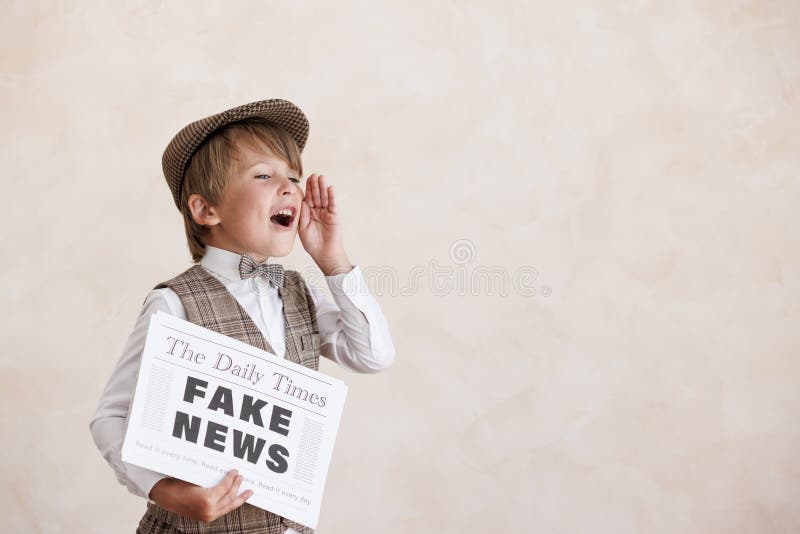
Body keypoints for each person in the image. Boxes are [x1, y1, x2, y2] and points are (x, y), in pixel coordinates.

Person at [89, 98, 395, 533]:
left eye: (293, 176)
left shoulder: (300, 292)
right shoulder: (175, 303)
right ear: (206, 210)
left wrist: (334, 261)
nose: (290, 187)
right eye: (265, 175)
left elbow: (373, 354)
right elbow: (111, 418)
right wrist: (169, 492)